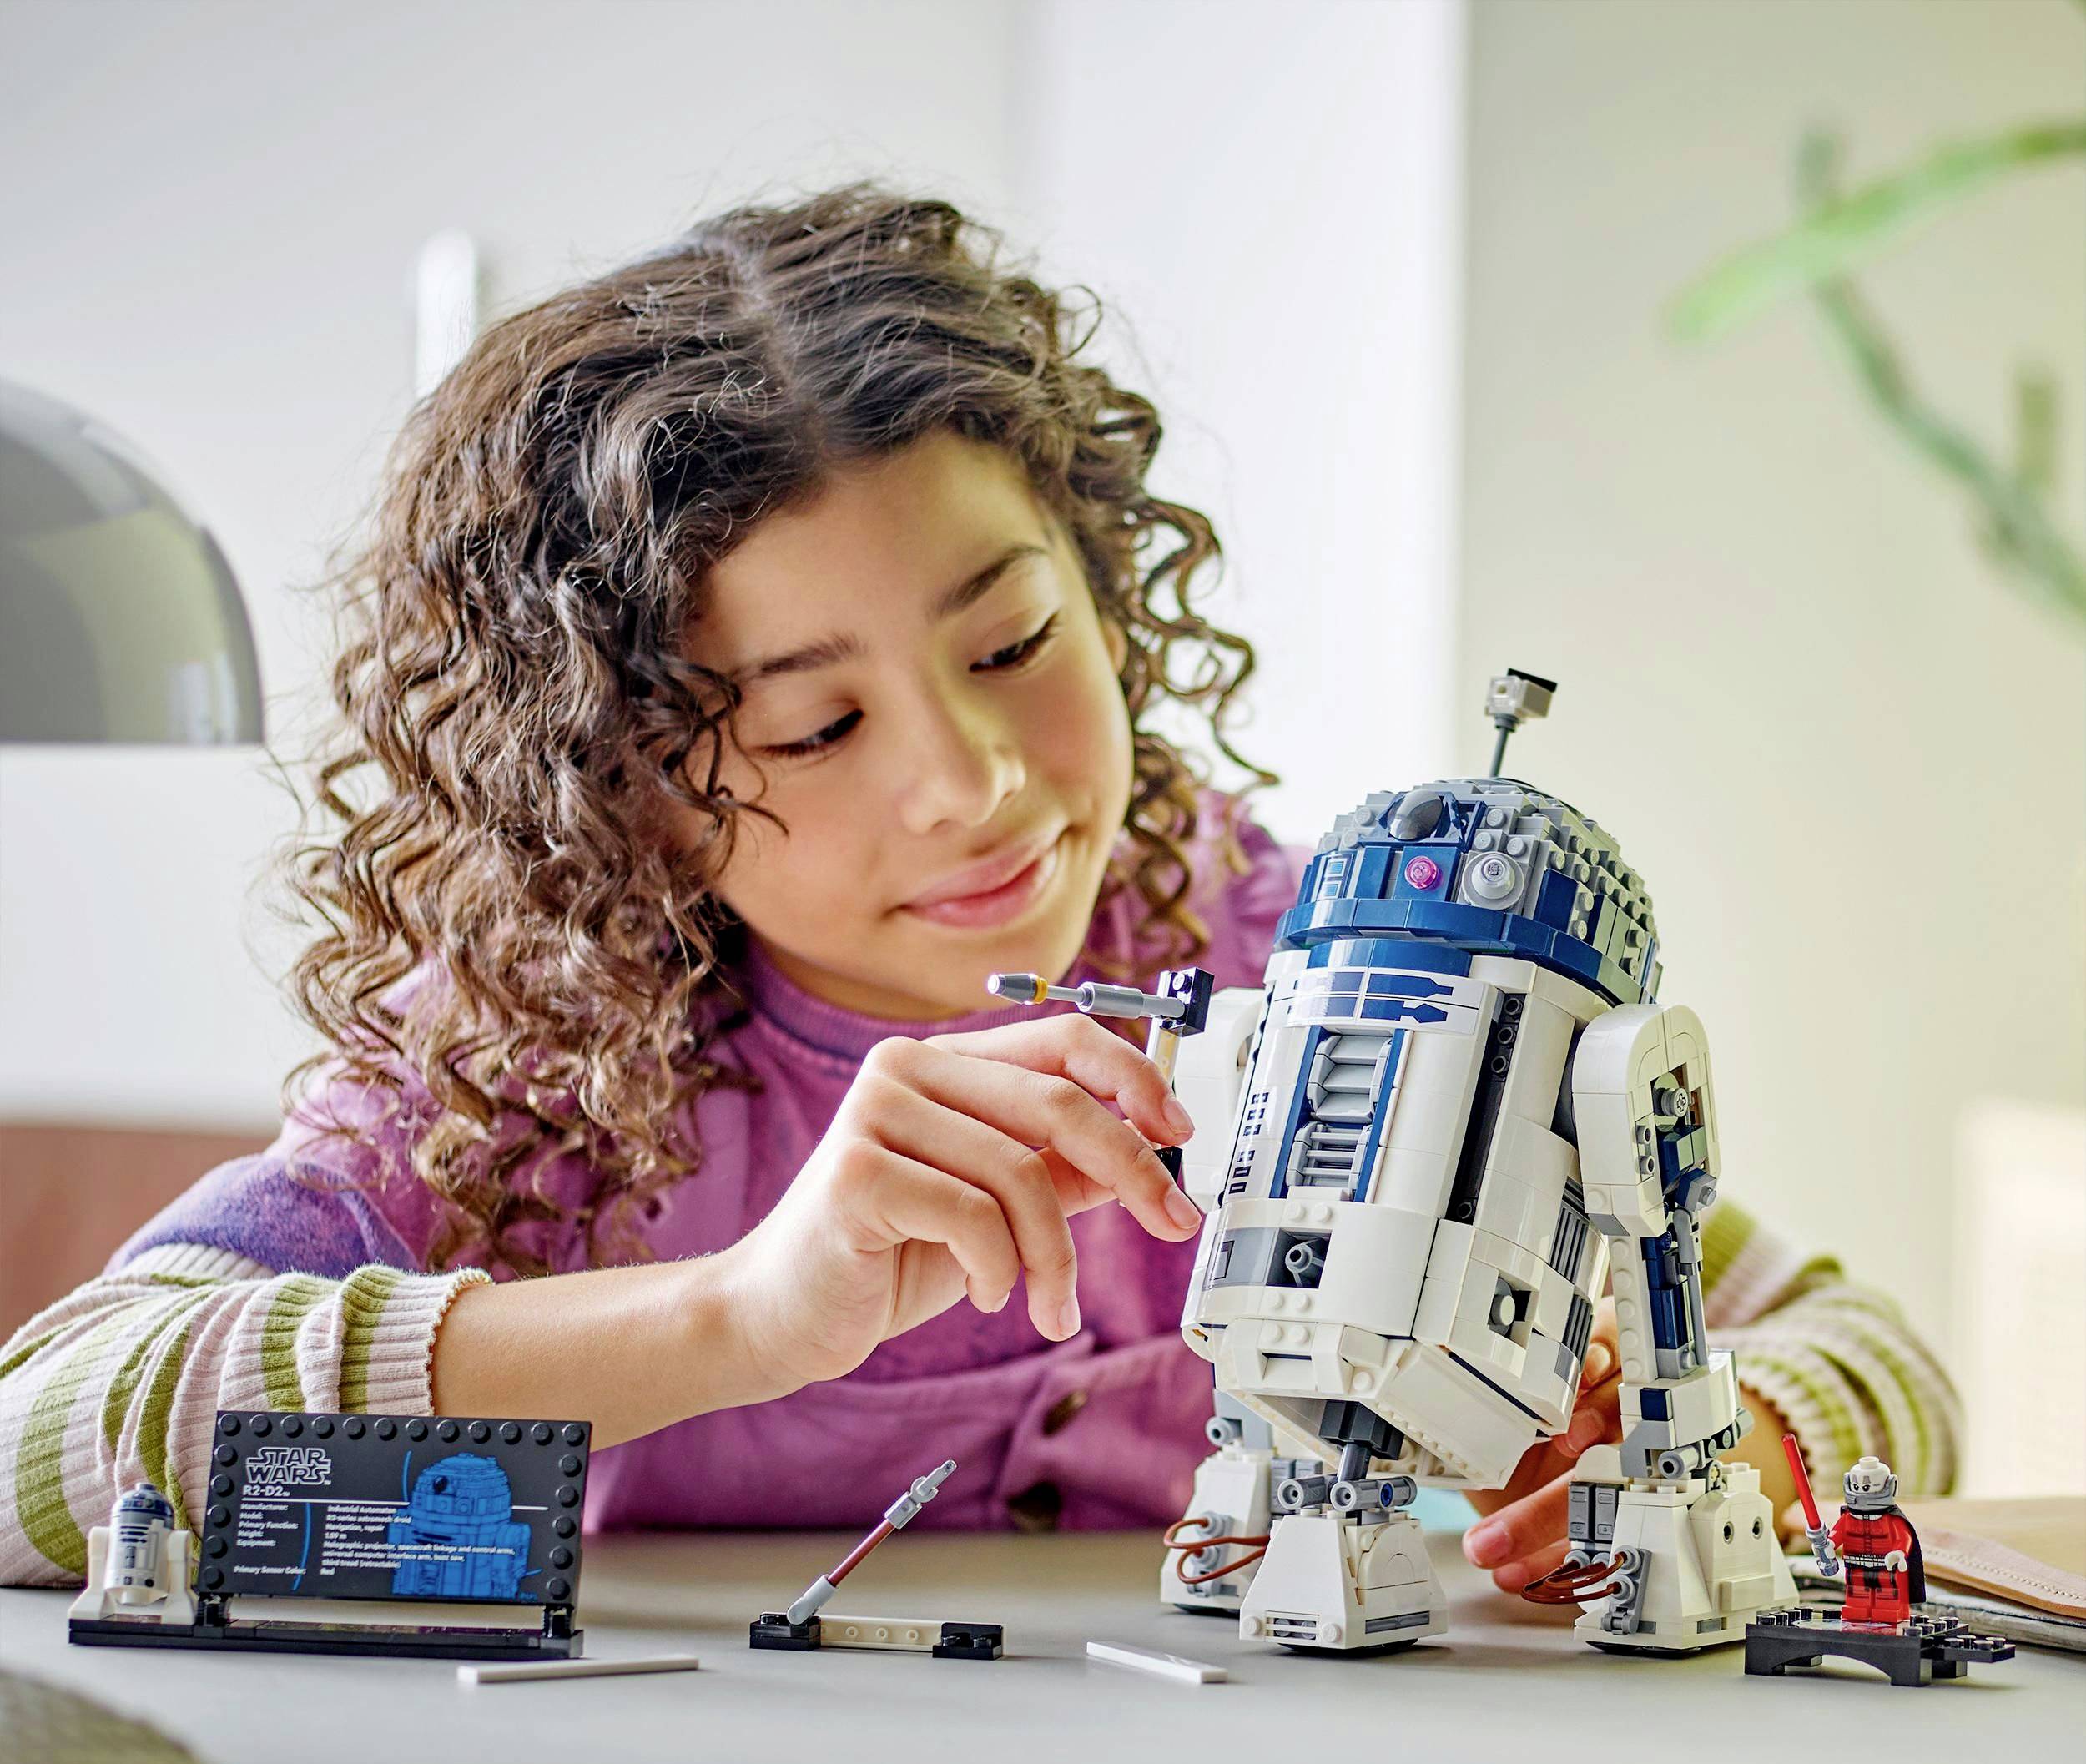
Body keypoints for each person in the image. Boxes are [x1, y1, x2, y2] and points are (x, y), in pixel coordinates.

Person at [0, 186, 1957, 1599]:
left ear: (1109, 596)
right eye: (815, 725)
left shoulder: (1314, 962)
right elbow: (39, 1444)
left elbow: (1865, 1350)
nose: (974, 781)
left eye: (1014, 639)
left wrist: (1718, 1440)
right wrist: (735, 1316)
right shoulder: (518, 1076)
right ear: (627, 792)